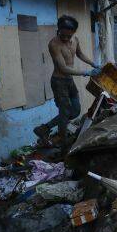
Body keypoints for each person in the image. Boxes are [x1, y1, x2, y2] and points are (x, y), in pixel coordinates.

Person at [33, 15, 100, 150]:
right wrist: (86, 73)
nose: (64, 38)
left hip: (69, 80)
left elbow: (80, 54)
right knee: (64, 113)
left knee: (75, 111)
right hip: (59, 81)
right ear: (59, 30)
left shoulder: (75, 40)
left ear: (73, 32)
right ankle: (63, 144)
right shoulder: (54, 44)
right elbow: (63, 68)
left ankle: (44, 128)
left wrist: (93, 64)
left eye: (68, 36)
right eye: (62, 35)